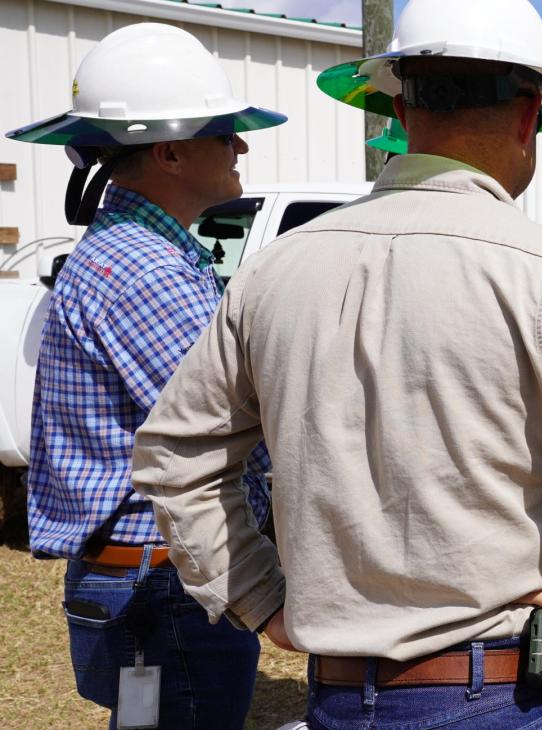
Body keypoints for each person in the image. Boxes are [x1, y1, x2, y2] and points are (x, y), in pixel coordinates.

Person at [130, 1, 542, 728]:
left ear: (397, 105)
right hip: (502, 696)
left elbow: (175, 452)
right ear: (527, 118)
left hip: (338, 696)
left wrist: (258, 599)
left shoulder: (272, 273)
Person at [5, 23, 282, 728]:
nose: (240, 146)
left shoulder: (133, 254)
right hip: (166, 582)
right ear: (168, 152)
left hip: (144, 574)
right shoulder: (146, 271)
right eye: (224, 134)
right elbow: (231, 422)